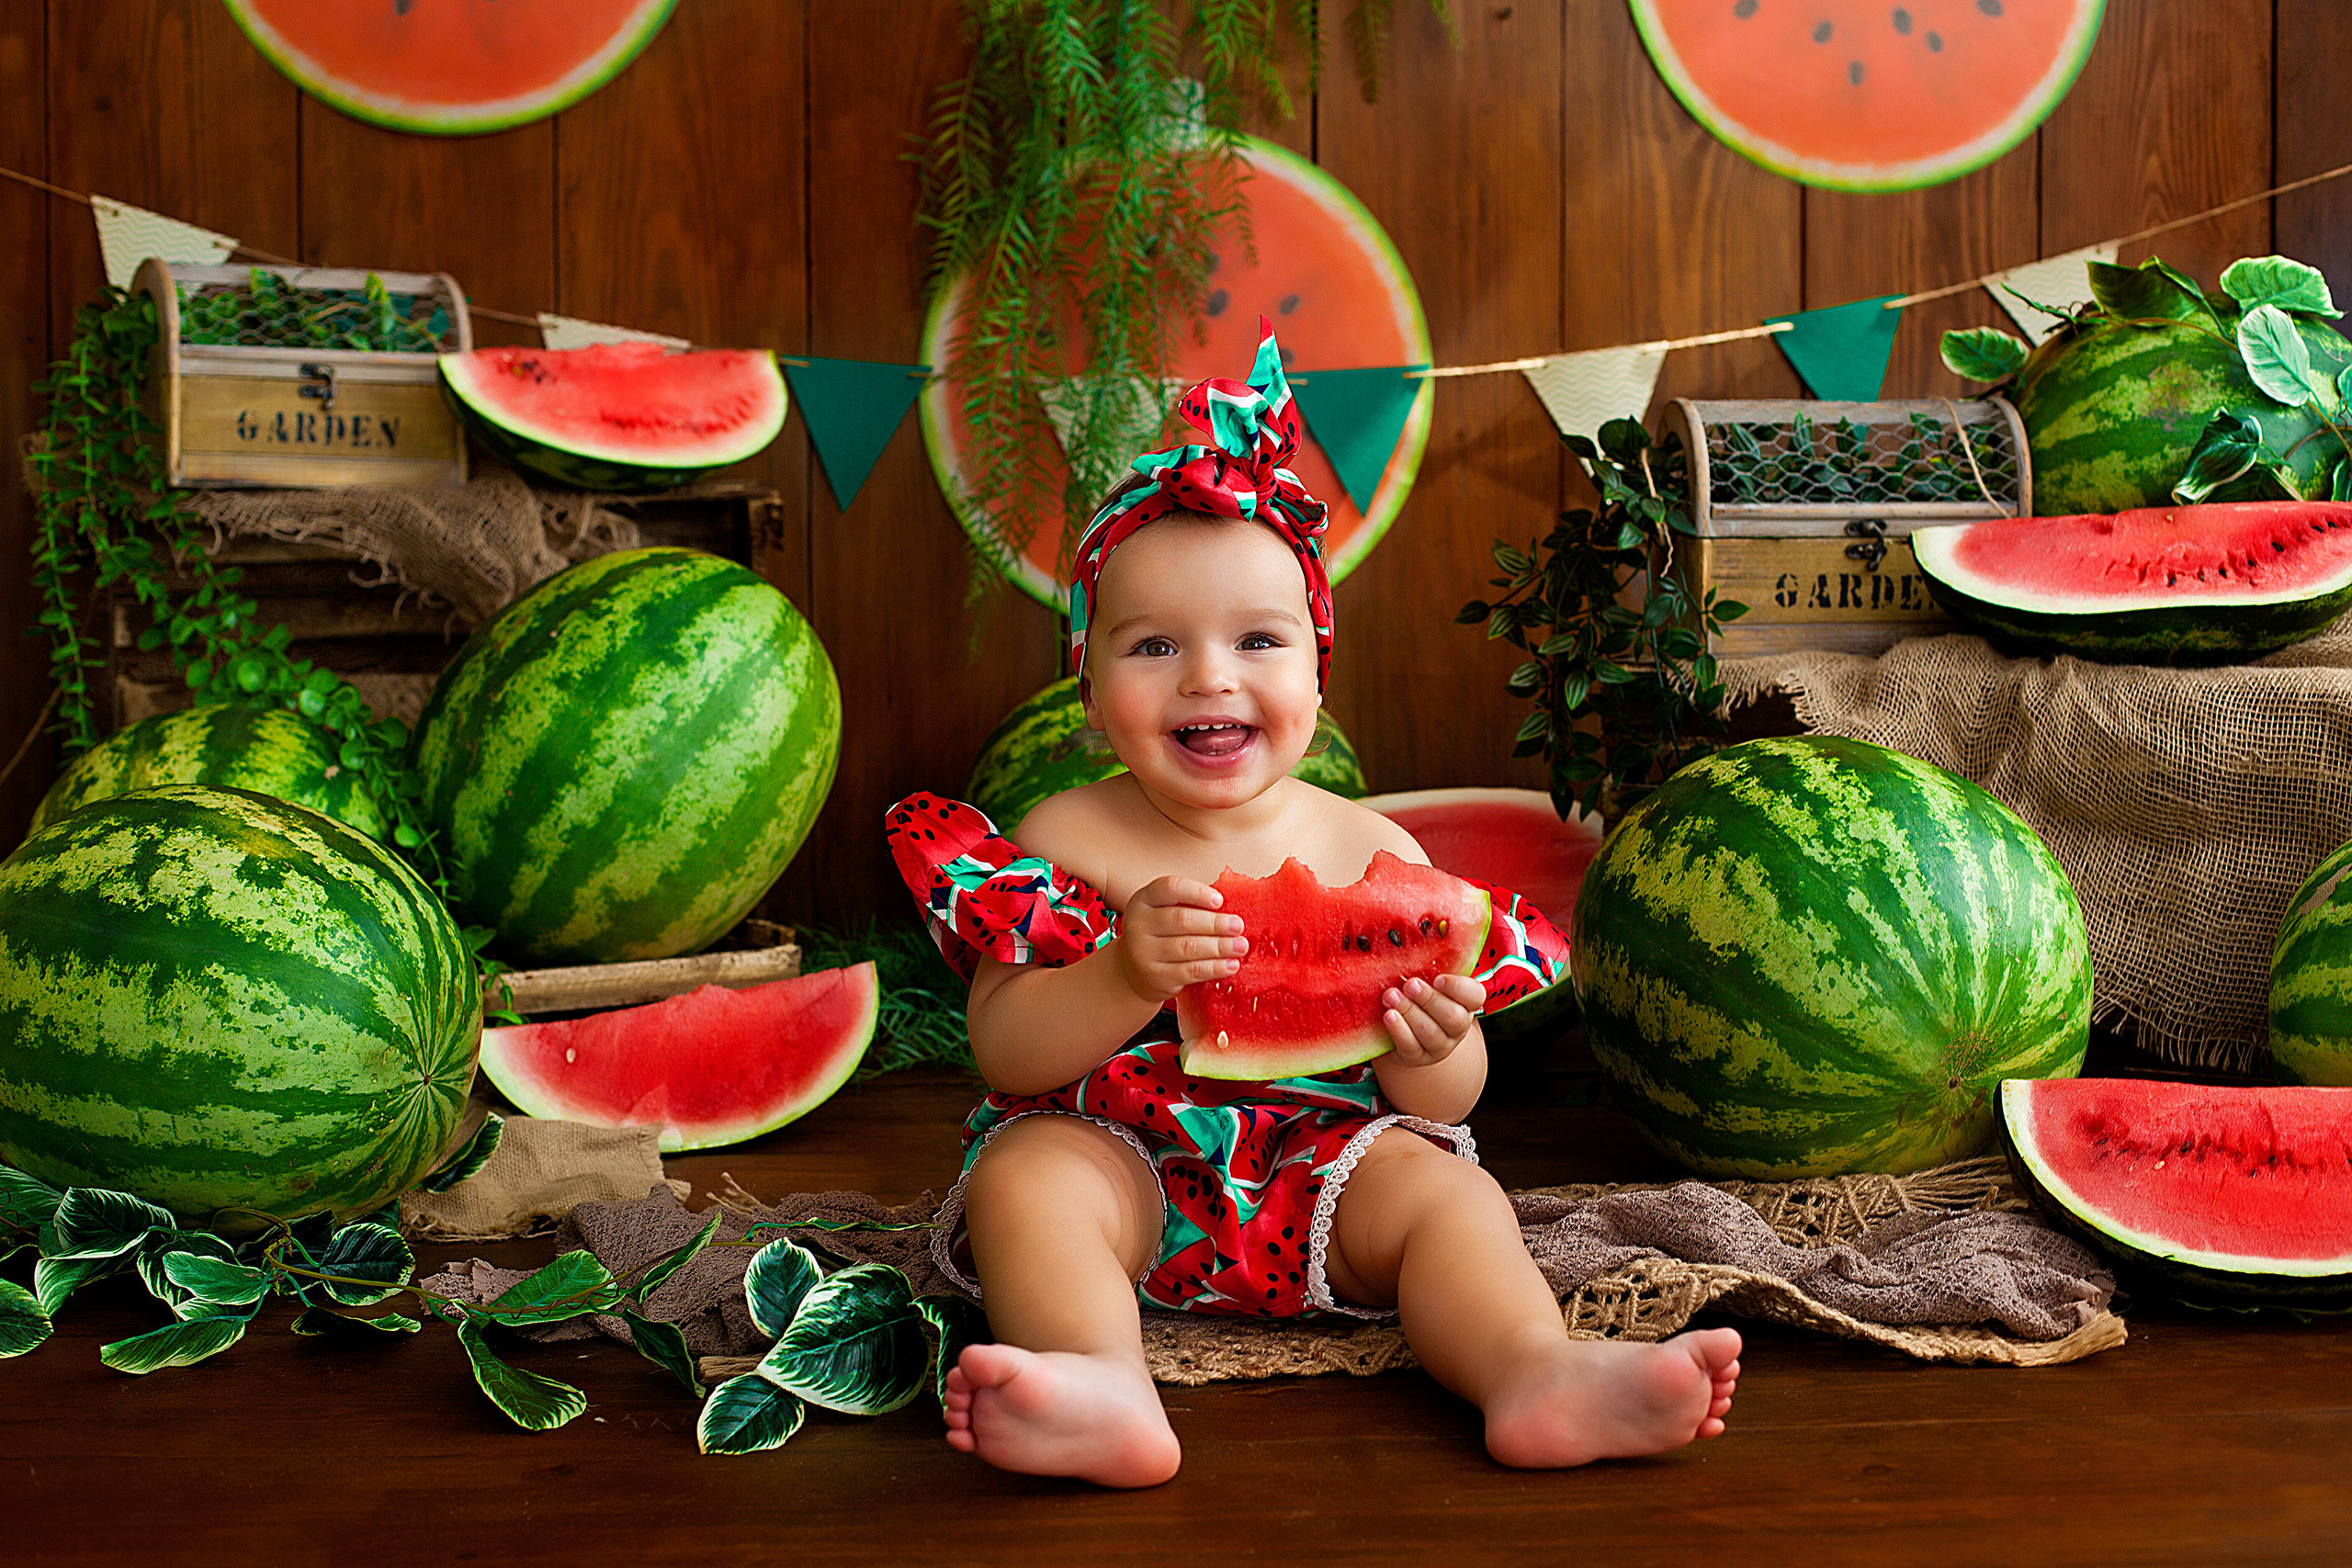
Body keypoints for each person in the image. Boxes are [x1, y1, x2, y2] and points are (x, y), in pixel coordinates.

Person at [885, 325, 1739, 1488]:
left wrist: (1439, 1044)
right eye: (1152, 646)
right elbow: (1006, 1049)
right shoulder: (1063, 839)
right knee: (1024, 1177)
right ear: (1088, 686)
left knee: (1451, 1195)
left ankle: (1534, 1371)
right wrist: (1122, 976)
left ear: (1314, 670)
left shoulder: (1372, 849)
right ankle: (1095, 1377)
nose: (1208, 676)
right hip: (1121, 1160)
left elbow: (1443, 1099)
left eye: (1256, 639)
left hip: (1328, 1168)